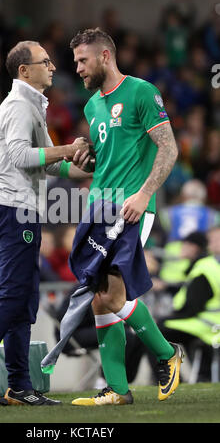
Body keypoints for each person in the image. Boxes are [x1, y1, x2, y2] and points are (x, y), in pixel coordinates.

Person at [0, 40, 93, 406]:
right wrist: (67, 148)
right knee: (15, 295)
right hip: (13, 208)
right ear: (24, 70)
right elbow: (19, 156)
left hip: (22, 209)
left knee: (25, 301)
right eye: (44, 61)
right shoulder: (18, 105)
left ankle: (20, 386)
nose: (52, 66)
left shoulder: (31, 106)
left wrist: (82, 165)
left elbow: (46, 163)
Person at [67, 28, 183, 406]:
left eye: (83, 61)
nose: (78, 69)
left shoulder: (141, 92)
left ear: (104, 57)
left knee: (113, 296)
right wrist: (86, 159)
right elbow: (106, 161)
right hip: (98, 208)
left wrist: (145, 193)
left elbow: (168, 147)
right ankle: (117, 389)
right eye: (75, 62)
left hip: (132, 207)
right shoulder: (91, 107)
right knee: (101, 299)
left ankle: (167, 353)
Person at [157, 228, 220, 382]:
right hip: (208, 323)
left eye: (213, 239)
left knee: (155, 333)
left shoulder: (205, 266)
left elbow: (193, 307)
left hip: (206, 326)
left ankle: (169, 378)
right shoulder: (210, 264)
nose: (209, 243)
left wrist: (167, 318)